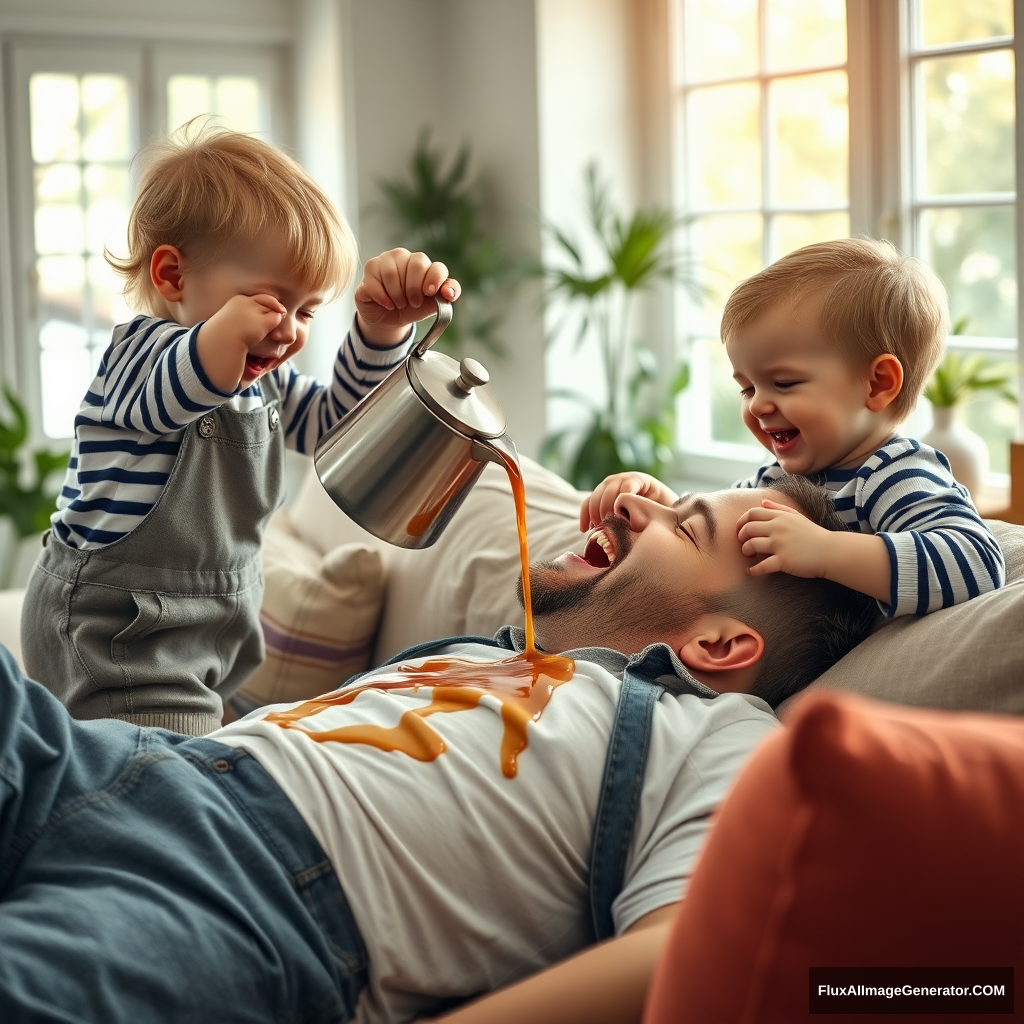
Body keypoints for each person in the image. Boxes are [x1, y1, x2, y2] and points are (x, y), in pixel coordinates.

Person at [0, 475, 876, 1024]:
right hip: (111, 764)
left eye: (685, 527)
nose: (638, 498)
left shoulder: (712, 735)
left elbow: (689, 952)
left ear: (720, 647)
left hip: (249, 894)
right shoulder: (500, 652)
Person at [19, 124, 460, 735]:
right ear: (172, 276)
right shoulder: (138, 356)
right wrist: (223, 339)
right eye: (268, 302)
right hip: (118, 637)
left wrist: (380, 330)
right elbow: (179, 390)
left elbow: (338, 423)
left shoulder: (261, 382)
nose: (289, 331)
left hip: (208, 640)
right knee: (175, 800)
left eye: (307, 311)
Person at [582, 238, 1005, 618]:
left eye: (784, 383)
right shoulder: (775, 478)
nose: (758, 404)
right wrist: (665, 506)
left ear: (877, 384)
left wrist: (824, 551)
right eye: (747, 387)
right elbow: (717, 550)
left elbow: (978, 562)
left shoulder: (895, 472)